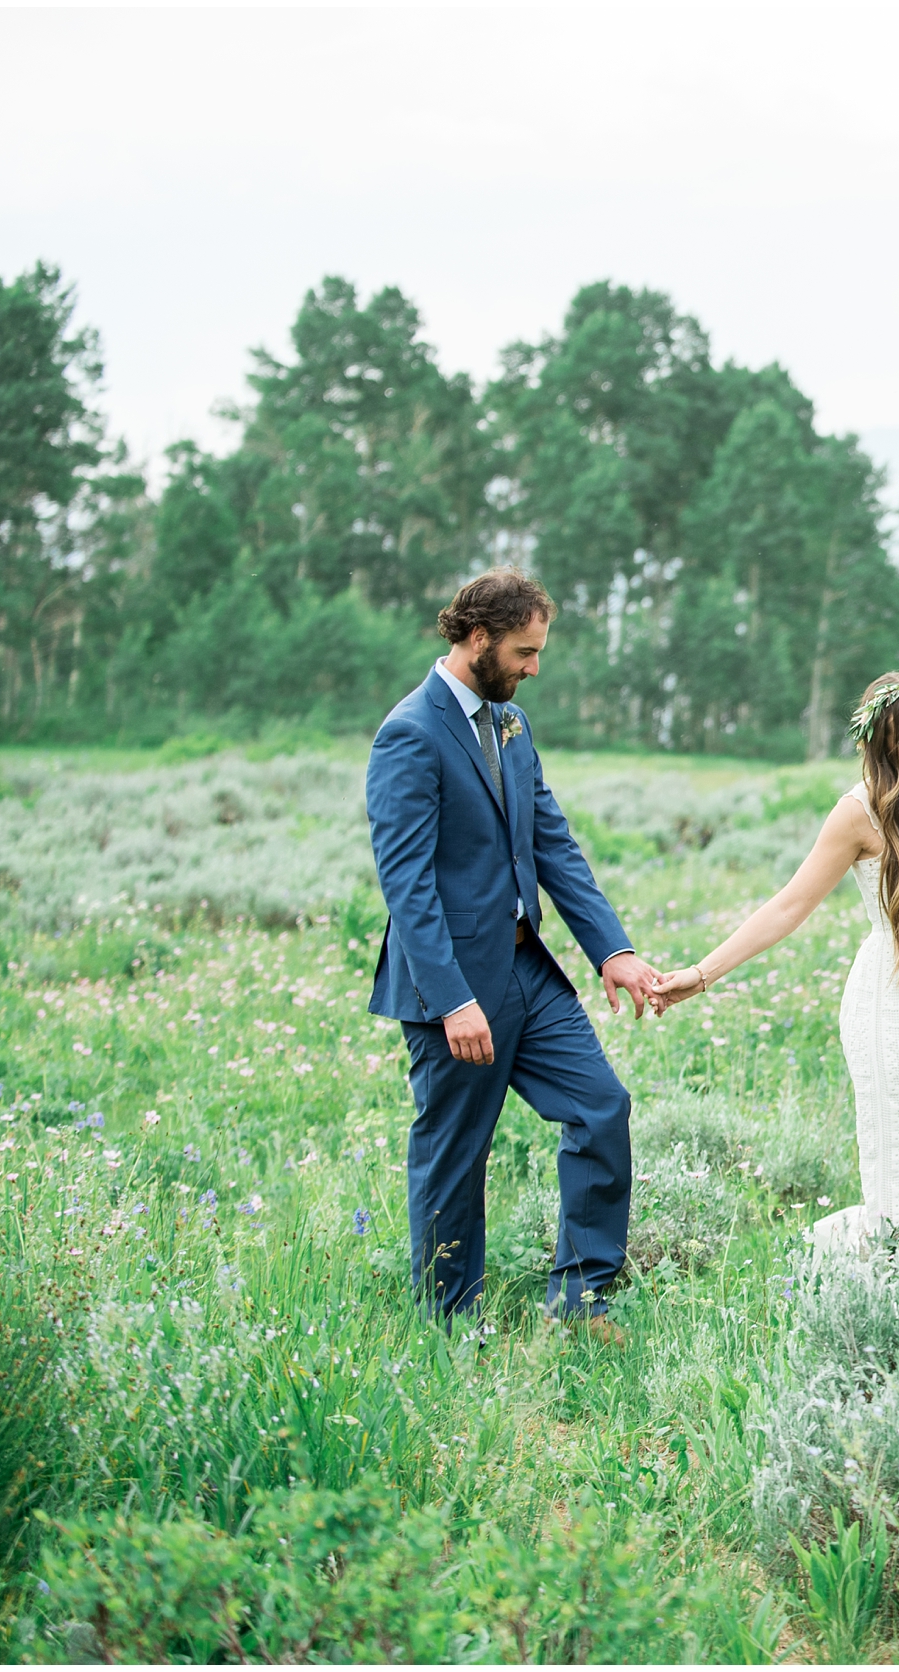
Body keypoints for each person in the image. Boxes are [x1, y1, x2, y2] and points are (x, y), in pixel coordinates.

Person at [651, 671, 899, 1273]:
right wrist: (701, 974)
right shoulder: (858, 812)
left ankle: (894, 1274)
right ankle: (884, 1289)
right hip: (896, 1002)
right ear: (880, 744)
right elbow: (788, 906)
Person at [365, 568, 659, 1346]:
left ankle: (581, 1298)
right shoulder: (410, 732)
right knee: (455, 1155)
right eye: (525, 652)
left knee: (602, 1107)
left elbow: (554, 843)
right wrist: (452, 999)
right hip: (454, 986)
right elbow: (409, 884)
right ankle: (449, 1323)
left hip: (530, 971)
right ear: (475, 638)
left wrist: (613, 951)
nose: (535, 668)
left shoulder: (508, 724)